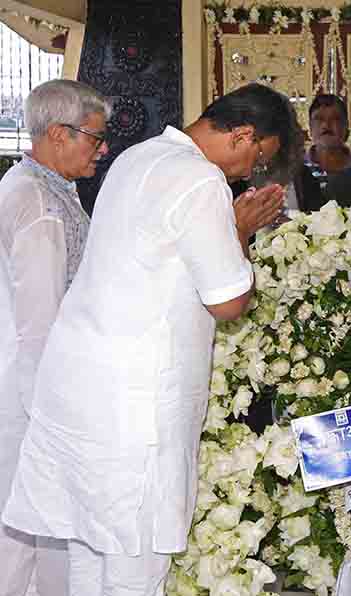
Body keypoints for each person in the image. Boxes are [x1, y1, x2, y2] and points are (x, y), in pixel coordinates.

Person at [1, 82, 299, 596]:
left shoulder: (137, 157)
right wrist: (241, 231)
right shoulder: (200, 180)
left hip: (80, 394)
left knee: (89, 562)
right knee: (134, 572)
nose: (252, 172)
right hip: (135, 408)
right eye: (260, 157)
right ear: (245, 135)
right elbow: (227, 301)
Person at [0, 79, 110, 596]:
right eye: (95, 137)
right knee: (24, 527)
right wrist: (52, 408)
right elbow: (40, 320)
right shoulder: (36, 201)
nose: (102, 147)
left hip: (29, 386)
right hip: (31, 391)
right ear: (59, 134)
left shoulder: (42, 187)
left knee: (34, 526)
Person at [292, 93, 351, 212]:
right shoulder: (295, 171)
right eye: (319, 119)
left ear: (346, 126)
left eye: (335, 119)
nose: (326, 125)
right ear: (309, 126)